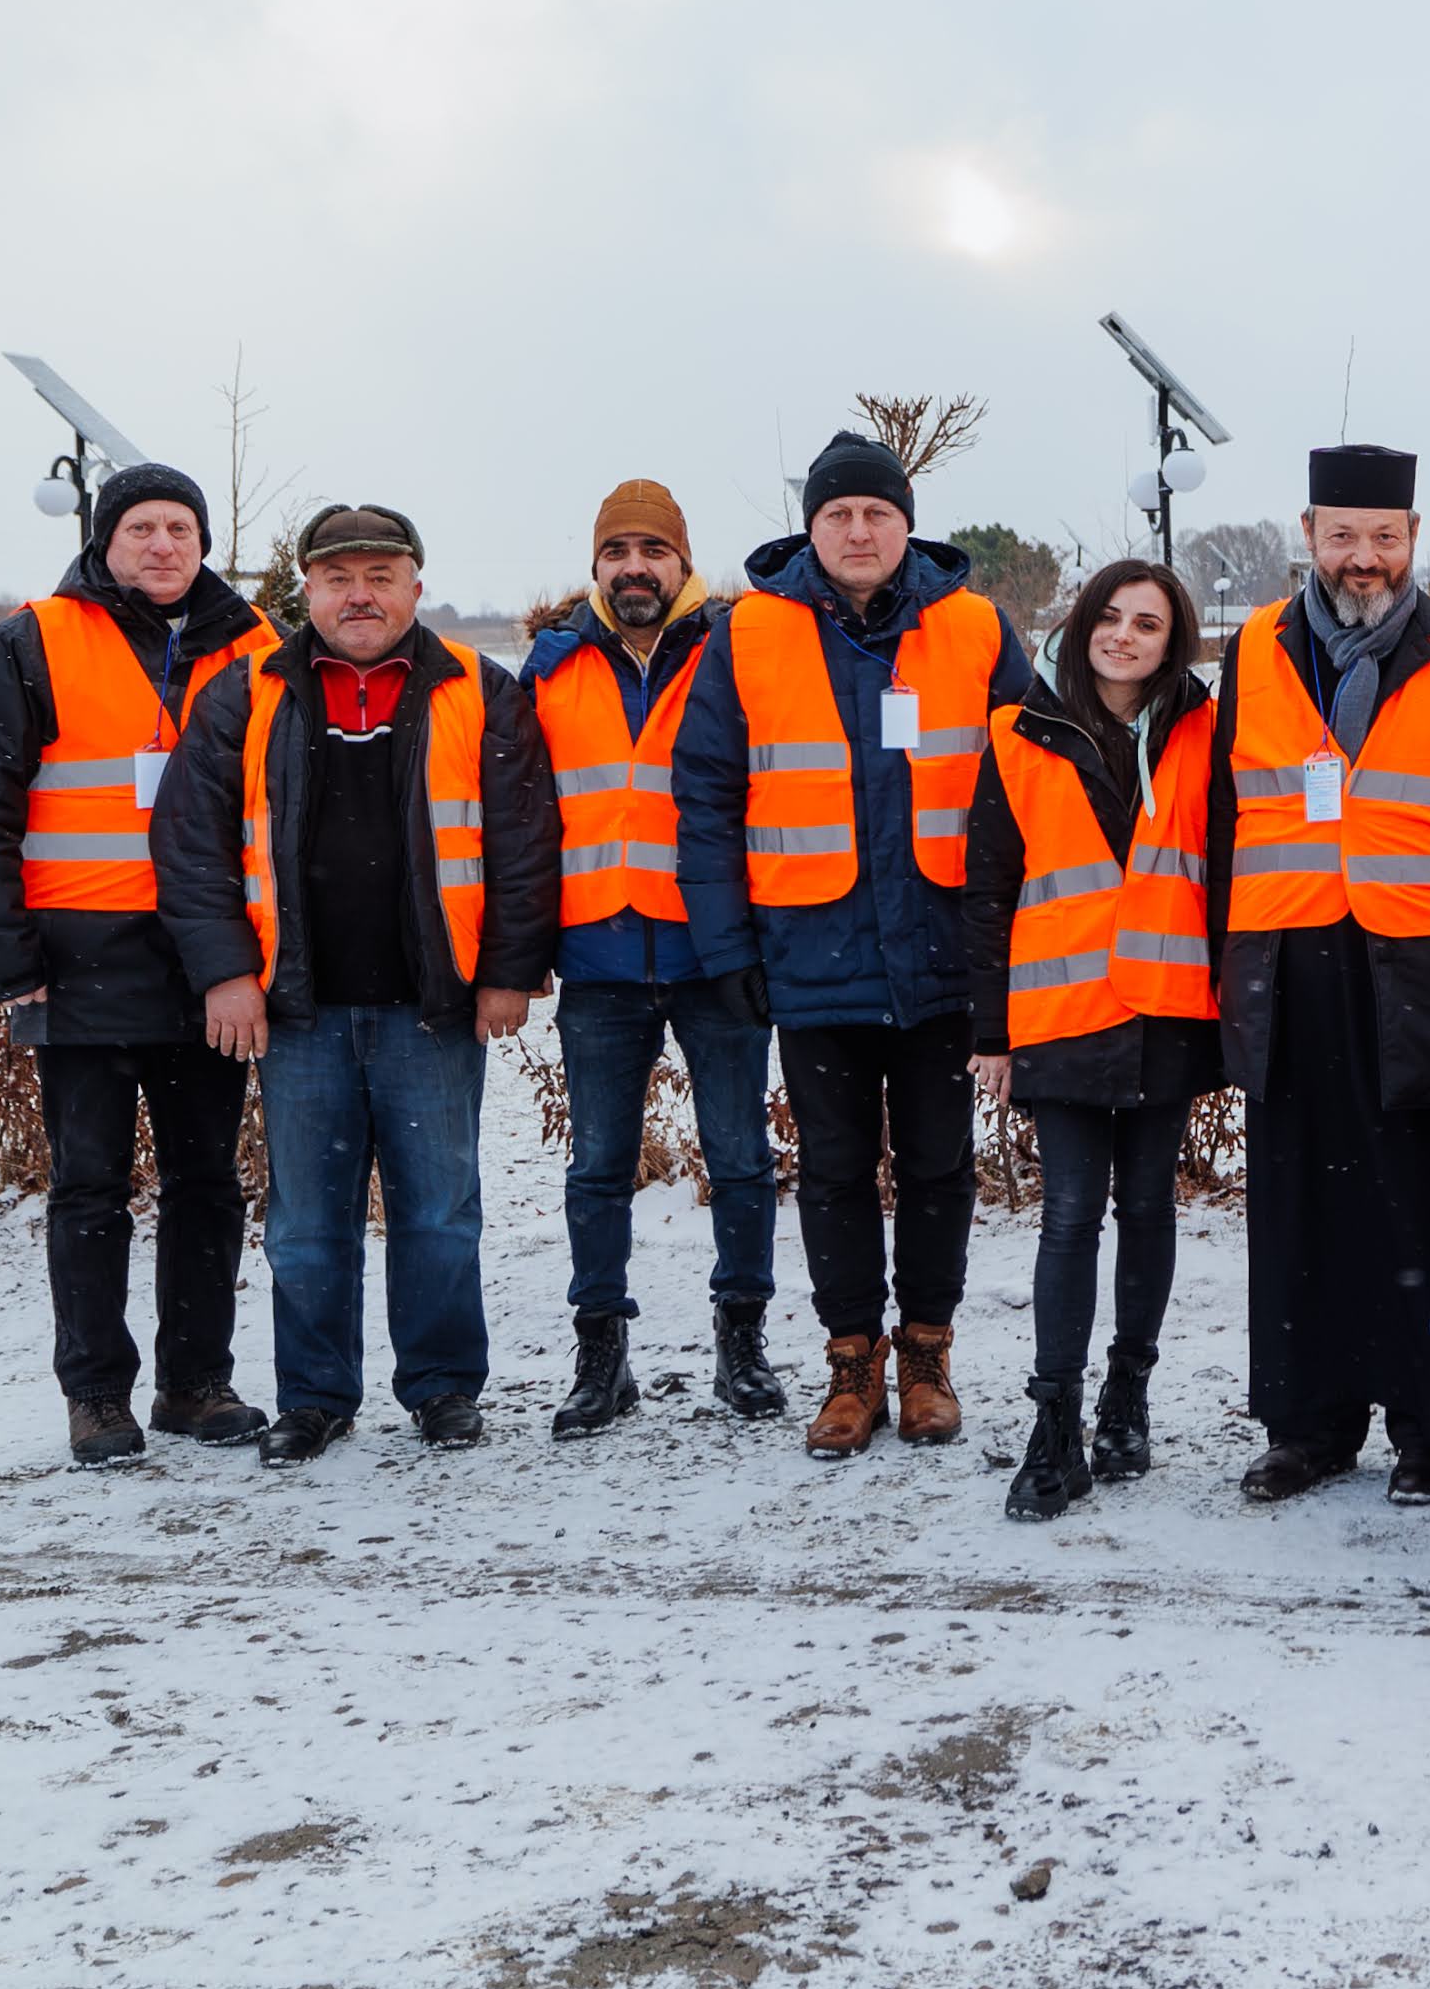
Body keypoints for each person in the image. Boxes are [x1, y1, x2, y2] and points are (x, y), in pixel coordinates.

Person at [157, 503, 560, 1465]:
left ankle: (442, 1388)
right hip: (297, 1012)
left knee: (438, 1212)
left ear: (417, 586)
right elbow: (191, 847)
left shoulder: (480, 690)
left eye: (381, 575)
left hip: (434, 1009)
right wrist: (223, 974)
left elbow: (525, 842)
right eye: (339, 577)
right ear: (308, 590)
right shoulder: (246, 695)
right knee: (305, 1223)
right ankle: (316, 1397)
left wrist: (505, 971)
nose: (360, 594)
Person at [671, 431, 1043, 1460]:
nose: (858, 529)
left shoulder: (973, 628)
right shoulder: (746, 634)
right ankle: (850, 1363)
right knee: (832, 1169)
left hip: (940, 949)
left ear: (906, 522)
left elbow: (1027, 788)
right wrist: (725, 944)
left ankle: (925, 1355)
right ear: (811, 525)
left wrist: (1010, 939)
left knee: (937, 1165)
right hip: (808, 946)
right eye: (838, 513)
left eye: (876, 511)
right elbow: (704, 794)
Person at [1207, 443, 1430, 1506]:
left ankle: (1427, 1426)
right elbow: (1225, 811)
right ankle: (1304, 1422)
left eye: (1385, 537)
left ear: (1413, 539)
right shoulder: (1255, 645)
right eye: (1344, 535)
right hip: (1287, 955)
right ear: (1307, 532)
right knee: (1296, 1200)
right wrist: (1224, 960)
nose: (1364, 558)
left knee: (1421, 1201)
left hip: (1423, 964)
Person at [0, 460, 278, 1467]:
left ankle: (194, 1381)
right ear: (104, 541)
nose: (162, 545)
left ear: (204, 542)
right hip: (75, 958)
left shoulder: (258, 648)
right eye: (140, 528)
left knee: (207, 1182)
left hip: (208, 957)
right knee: (89, 1187)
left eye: (180, 527)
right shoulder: (31, 639)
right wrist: (4, 954)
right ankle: (96, 1393)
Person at [523, 480, 784, 1441]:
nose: (635, 568)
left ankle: (742, 1339)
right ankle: (602, 1354)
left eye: (653, 551)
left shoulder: (740, 652)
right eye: (616, 551)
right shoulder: (548, 667)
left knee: (740, 1158)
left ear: (683, 561)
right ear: (595, 566)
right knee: (596, 1167)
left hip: (713, 953)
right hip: (596, 954)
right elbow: (522, 820)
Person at [967, 558, 1225, 1519]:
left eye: (1148, 624)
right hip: (1062, 1016)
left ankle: (1129, 1395)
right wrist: (991, 1030)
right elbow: (989, 890)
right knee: (1069, 1217)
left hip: (1164, 1009)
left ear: (1173, 640)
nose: (1124, 635)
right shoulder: (1020, 733)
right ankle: (1055, 1424)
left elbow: (1228, 869)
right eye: (1109, 618)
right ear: (1081, 627)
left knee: (1149, 1209)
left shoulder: (1205, 731)